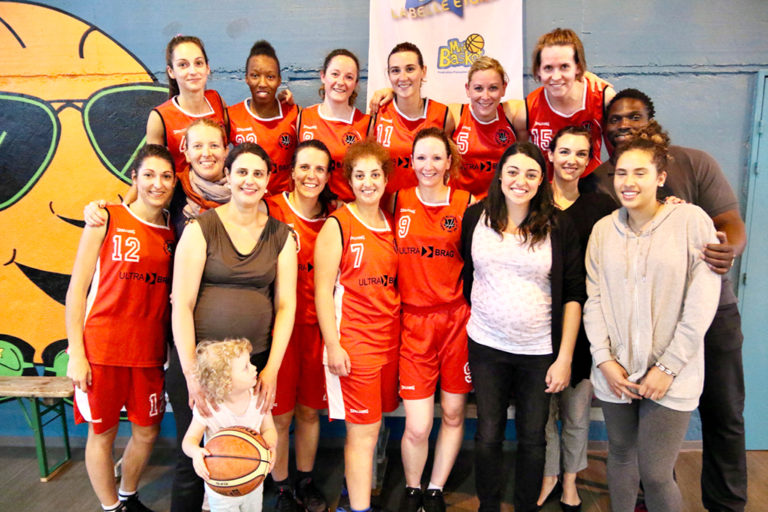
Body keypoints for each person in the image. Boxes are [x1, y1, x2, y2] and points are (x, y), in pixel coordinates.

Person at [593, 89, 748, 512]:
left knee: (724, 414)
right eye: (615, 119)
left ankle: (727, 504)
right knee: (640, 455)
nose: (624, 125)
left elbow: (730, 222)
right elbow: (601, 280)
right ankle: (648, 498)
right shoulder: (604, 183)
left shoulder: (695, 166)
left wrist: (727, 250)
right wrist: (605, 355)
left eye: (634, 116)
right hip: (639, 325)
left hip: (710, 314)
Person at [169, 142, 297, 512]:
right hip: (202, 366)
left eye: (258, 173)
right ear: (227, 176)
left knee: (244, 456)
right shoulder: (200, 229)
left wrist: (271, 369)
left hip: (251, 364)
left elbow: (286, 305)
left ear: (269, 180)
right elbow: (182, 305)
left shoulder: (281, 235)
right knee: (194, 460)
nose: (249, 180)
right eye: (241, 172)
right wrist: (192, 374)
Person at [460, 142, 585, 512]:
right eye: (513, 171)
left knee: (533, 438)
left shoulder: (558, 225)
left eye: (531, 174)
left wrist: (564, 358)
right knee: (488, 433)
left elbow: (573, 294)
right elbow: (470, 274)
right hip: (486, 346)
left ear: (541, 180)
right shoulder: (475, 217)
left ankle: (526, 506)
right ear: (500, 176)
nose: (521, 181)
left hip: (538, 351)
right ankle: (488, 505)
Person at [65, 144, 177, 512]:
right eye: (149, 175)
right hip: (102, 350)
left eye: (165, 176)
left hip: (148, 352)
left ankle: (128, 496)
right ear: (134, 178)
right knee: (103, 433)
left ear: (174, 182)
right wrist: (76, 354)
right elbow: (77, 290)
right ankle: (111, 507)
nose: (157, 183)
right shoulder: (106, 218)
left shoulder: (172, 232)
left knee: (147, 431)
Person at [314, 140, 400, 512]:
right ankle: (358, 509)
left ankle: (356, 496)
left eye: (375, 175)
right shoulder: (338, 224)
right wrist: (333, 346)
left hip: (389, 341)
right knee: (362, 433)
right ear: (349, 181)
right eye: (360, 175)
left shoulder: (390, 222)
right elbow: (321, 292)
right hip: (355, 344)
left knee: (374, 428)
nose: (368, 182)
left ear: (385, 179)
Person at [536, 126, 618, 510]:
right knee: (541, 411)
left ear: (589, 161)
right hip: (537, 321)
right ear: (550, 155)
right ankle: (548, 474)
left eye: (581, 154)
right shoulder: (532, 201)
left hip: (584, 323)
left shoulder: (601, 207)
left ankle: (570, 479)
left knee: (576, 411)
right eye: (565, 151)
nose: (572, 160)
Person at [392, 128, 472, 512]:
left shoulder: (468, 203)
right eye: (421, 157)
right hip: (413, 323)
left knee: (453, 414)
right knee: (418, 424)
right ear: (411, 161)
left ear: (449, 162)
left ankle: (436, 488)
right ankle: (413, 488)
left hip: (457, 322)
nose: (428, 165)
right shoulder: (397, 200)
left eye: (437, 157)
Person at [265, 140, 336, 512]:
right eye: (304, 167)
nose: (311, 175)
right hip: (278, 330)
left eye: (319, 169)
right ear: (291, 171)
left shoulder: (334, 218)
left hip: (316, 329)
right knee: (280, 415)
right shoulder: (271, 208)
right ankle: (281, 487)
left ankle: (305, 480)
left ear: (328, 176)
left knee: (309, 411)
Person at [182, 338, 278, 512]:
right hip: (221, 483)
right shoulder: (209, 407)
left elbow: (269, 429)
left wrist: (270, 445)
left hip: (253, 478)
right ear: (225, 382)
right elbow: (189, 440)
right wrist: (196, 453)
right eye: (246, 367)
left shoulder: (258, 398)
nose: (254, 368)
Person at [521, 28, 615, 177]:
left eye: (564, 67)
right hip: (549, 187)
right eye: (548, 68)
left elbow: (617, 159)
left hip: (592, 185)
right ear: (538, 70)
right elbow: (521, 161)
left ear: (578, 67)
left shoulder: (602, 98)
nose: (556, 77)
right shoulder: (527, 109)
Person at [371, 42, 453, 196]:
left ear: (423, 71)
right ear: (388, 74)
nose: (403, 77)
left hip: (426, 204)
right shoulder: (378, 113)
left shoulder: (442, 115)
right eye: (395, 70)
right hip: (385, 205)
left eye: (410, 69)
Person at [147, 35, 228, 178]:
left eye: (198, 63)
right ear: (171, 71)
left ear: (207, 67)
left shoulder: (216, 100)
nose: (193, 71)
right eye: (183, 65)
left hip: (221, 187)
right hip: (181, 190)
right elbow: (151, 169)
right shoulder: (160, 117)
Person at [298, 49, 372, 202]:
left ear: (356, 83)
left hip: (348, 209)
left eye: (349, 77)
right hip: (309, 208)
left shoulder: (366, 124)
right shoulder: (303, 117)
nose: (341, 82)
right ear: (323, 76)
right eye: (335, 74)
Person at [228, 40, 299, 195]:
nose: (262, 83)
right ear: (246, 78)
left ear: (279, 80)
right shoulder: (231, 115)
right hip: (248, 200)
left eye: (270, 77)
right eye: (255, 75)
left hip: (284, 202)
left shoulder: (295, 114)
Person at [450, 56, 523, 199]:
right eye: (478, 88)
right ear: (468, 89)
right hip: (461, 203)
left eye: (493, 88)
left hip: (502, 202)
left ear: (503, 88)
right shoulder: (455, 115)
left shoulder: (513, 114)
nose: (485, 96)